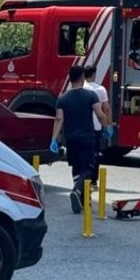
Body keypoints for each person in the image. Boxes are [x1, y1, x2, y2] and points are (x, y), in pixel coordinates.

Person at [51, 65, 111, 213]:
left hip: (71, 139)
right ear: (83, 78)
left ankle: (82, 201)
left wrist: (53, 139)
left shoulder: (62, 98)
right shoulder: (91, 96)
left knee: (76, 168)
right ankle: (77, 192)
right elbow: (100, 114)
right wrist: (106, 127)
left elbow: (59, 119)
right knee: (88, 169)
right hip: (87, 138)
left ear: (70, 79)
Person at [82, 65, 114, 153]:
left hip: (80, 127)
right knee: (93, 153)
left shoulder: (79, 89)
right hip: (95, 126)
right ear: (94, 74)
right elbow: (106, 109)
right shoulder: (100, 89)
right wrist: (108, 125)